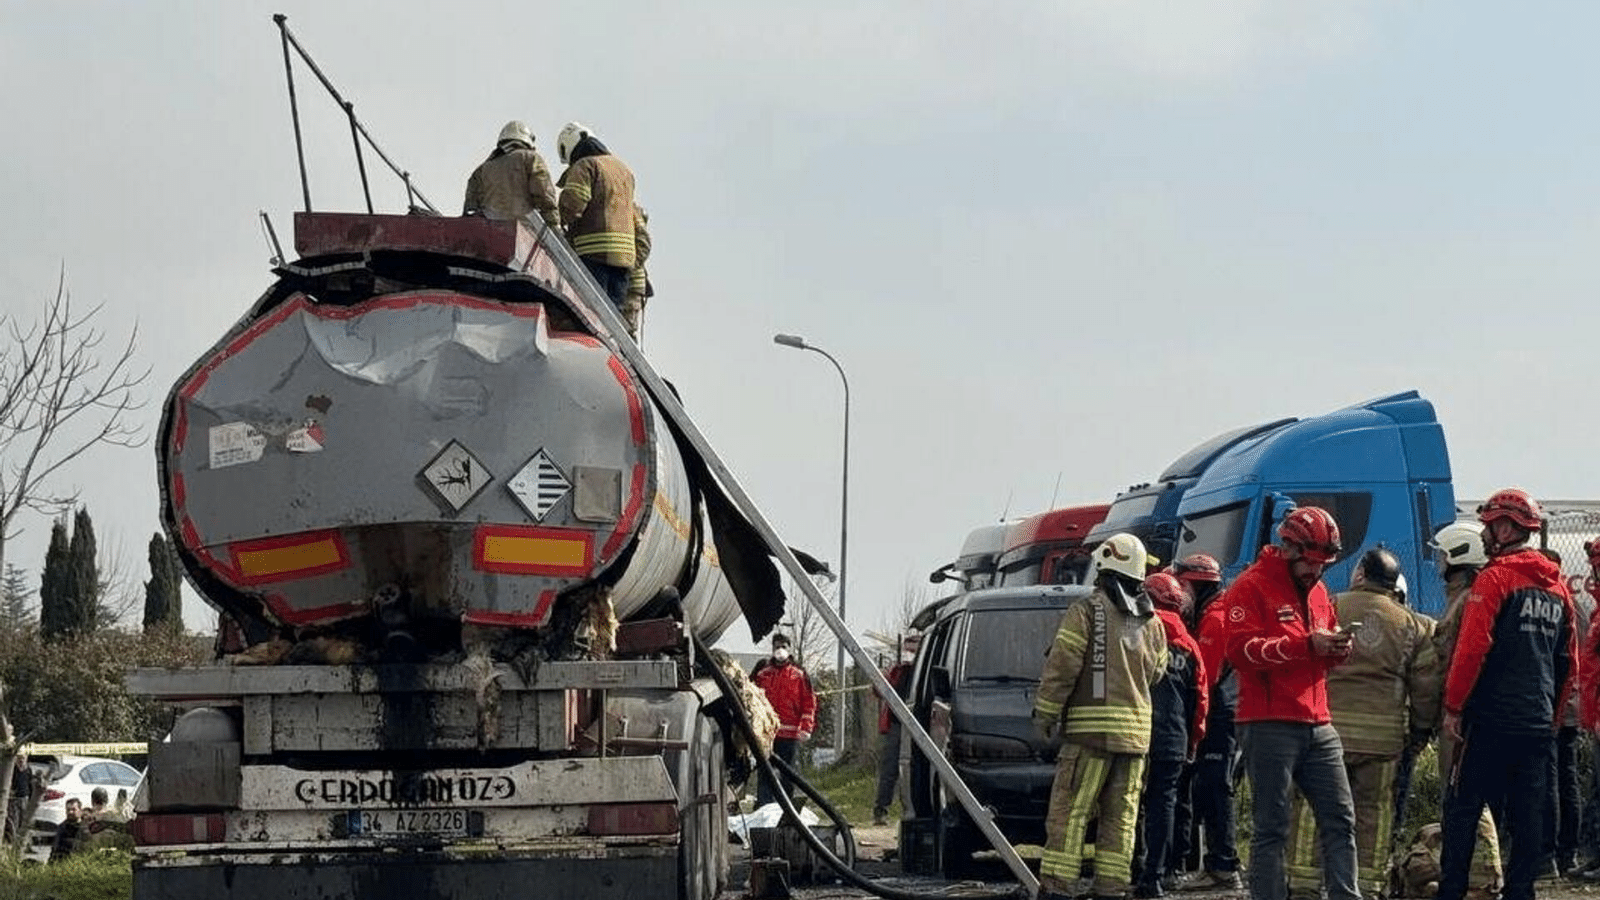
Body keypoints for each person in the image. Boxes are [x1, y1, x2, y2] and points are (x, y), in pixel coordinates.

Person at [1437, 490, 1577, 900]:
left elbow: (1471, 650)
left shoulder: (1495, 579)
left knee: (1463, 811)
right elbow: (1568, 665)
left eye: (1488, 524)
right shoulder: (1559, 591)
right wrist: (1549, 719)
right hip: (1536, 727)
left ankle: (1452, 892)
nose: (1483, 533)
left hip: (1487, 722)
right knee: (1529, 822)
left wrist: (1453, 708)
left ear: (1505, 528)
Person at [1285, 546, 1441, 899]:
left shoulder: (1329, 607)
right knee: (1375, 812)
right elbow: (1426, 686)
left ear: (1359, 575)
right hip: (1383, 742)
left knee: (1311, 806)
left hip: (1325, 732)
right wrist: (1418, 731)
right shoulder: (1412, 624)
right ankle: (1367, 886)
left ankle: (1305, 884)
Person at [1224, 505, 1360, 900]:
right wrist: (1305, 645)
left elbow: (1318, 651)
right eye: (1310, 562)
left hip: (1318, 721)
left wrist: (1336, 649)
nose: (1316, 571)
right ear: (1288, 548)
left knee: (1340, 819)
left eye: (1323, 564)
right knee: (1272, 827)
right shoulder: (1250, 587)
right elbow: (1240, 652)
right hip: (1267, 722)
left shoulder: (1319, 593)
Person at [1033, 532, 1169, 900]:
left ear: (1105, 568)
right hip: (1136, 740)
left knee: (1071, 812)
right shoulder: (1154, 623)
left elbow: (1062, 666)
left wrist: (1045, 713)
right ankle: (1111, 888)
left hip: (1089, 738)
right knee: (1121, 819)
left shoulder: (1087, 611)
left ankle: (1058, 889)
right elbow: (1157, 673)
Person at [1428, 521, 1504, 898]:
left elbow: (1457, 659)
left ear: (1459, 555)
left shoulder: (1466, 600)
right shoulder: (1458, 597)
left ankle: (1481, 875)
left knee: (1461, 797)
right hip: (1460, 713)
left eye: (1442, 554)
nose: (1438, 561)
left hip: (1461, 717)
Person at [1135, 572, 1209, 899]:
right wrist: (1193, 741)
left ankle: (1133, 869)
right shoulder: (1190, 645)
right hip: (1174, 738)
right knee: (1164, 803)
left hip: (1136, 731)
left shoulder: (1138, 632)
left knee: (1130, 803)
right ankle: (1157, 875)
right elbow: (1200, 699)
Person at [556, 122, 638, 311]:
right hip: (624, 258)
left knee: (590, 314)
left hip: (594, 254)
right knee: (612, 319)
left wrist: (555, 220)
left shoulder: (585, 165)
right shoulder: (623, 170)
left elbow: (574, 202)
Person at [751, 632, 817, 807]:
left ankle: (786, 808)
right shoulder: (763, 675)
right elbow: (754, 701)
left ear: (789, 649)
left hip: (790, 735)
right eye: (776, 647)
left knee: (788, 774)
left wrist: (806, 727)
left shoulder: (799, 675)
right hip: (767, 735)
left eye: (783, 647)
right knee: (765, 773)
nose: (780, 650)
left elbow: (809, 702)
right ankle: (764, 808)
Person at [462, 121, 560, 227]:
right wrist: (554, 225)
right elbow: (544, 195)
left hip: (486, 235)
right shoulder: (531, 158)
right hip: (525, 234)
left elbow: (469, 211)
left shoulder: (481, 170)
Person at [872, 632, 918, 826]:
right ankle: (881, 810)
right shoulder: (896, 671)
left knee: (915, 769)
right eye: (906, 650)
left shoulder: (923, 670)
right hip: (896, 725)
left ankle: (915, 809)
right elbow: (878, 691)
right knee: (889, 769)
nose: (908, 654)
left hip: (917, 727)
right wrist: (880, 679)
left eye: (912, 650)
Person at [620, 203, 653, 340]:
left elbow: (644, 245)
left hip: (631, 286)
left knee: (626, 332)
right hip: (627, 282)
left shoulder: (629, 210)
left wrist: (626, 267)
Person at [5, 753, 31, 842]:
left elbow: (30, 783)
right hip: (14, 798)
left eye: (23, 758)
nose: (21, 760)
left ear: (26, 759)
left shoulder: (28, 769)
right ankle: (14, 841)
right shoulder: (12, 769)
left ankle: (25, 842)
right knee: (14, 822)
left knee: (25, 821)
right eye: (19, 758)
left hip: (25, 798)